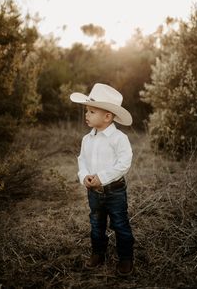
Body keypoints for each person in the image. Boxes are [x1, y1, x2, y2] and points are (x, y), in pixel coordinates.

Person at [70, 83, 135, 276]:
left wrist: (102, 178)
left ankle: (125, 257)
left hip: (114, 190)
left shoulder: (119, 138)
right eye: (87, 111)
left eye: (91, 111)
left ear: (107, 116)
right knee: (96, 223)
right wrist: (85, 177)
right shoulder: (86, 139)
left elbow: (124, 164)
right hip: (94, 192)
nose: (86, 115)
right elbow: (82, 160)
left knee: (120, 224)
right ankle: (98, 253)